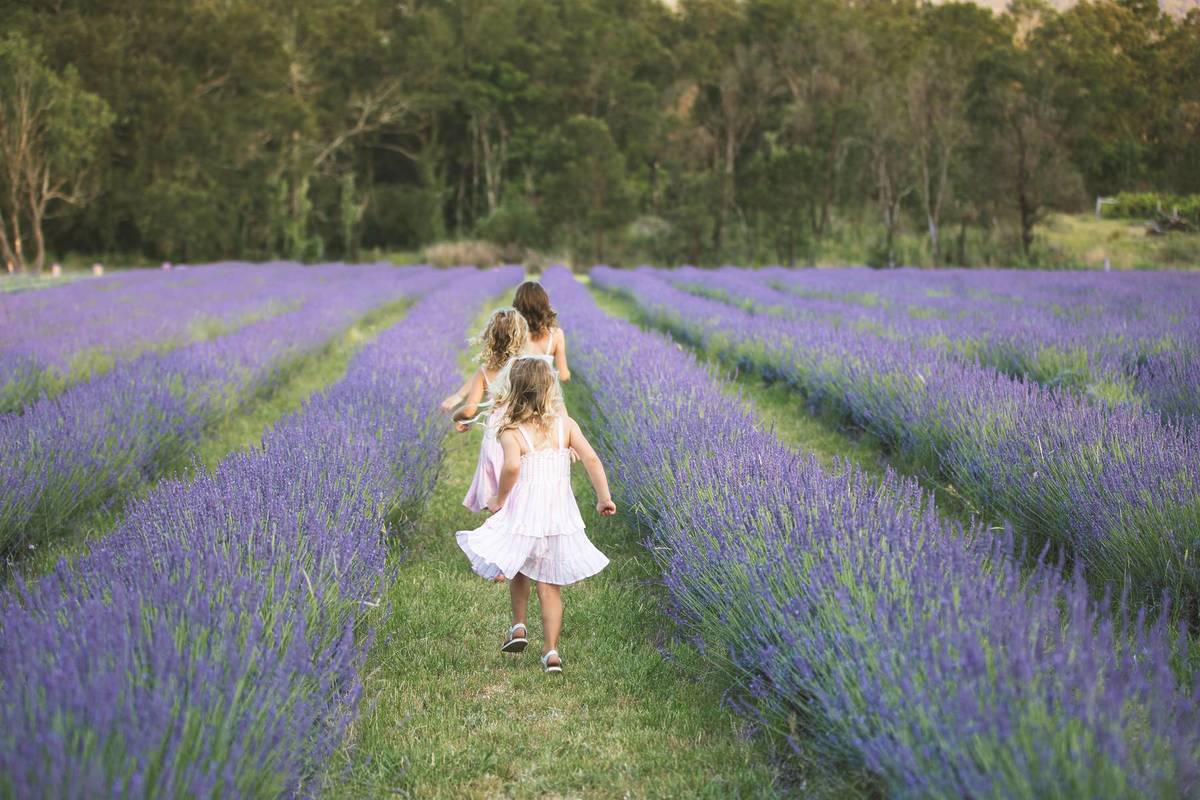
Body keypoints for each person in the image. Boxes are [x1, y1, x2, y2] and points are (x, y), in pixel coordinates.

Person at [456, 356, 614, 674]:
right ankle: (551, 652)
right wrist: (603, 498)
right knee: (550, 583)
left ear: (513, 390)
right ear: (550, 390)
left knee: (518, 569)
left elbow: (512, 467)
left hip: (524, 512)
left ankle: (518, 626)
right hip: (558, 514)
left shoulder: (510, 431)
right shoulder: (565, 426)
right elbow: (592, 459)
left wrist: (499, 498)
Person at [452, 308, 530, 514]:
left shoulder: (485, 371)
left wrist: (457, 418)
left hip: (496, 437)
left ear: (491, 337)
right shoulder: (527, 368)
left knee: (495, 495)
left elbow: (470, 410)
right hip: (522, 433)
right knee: (521, 491)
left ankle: (496, 533)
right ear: (521, 337)